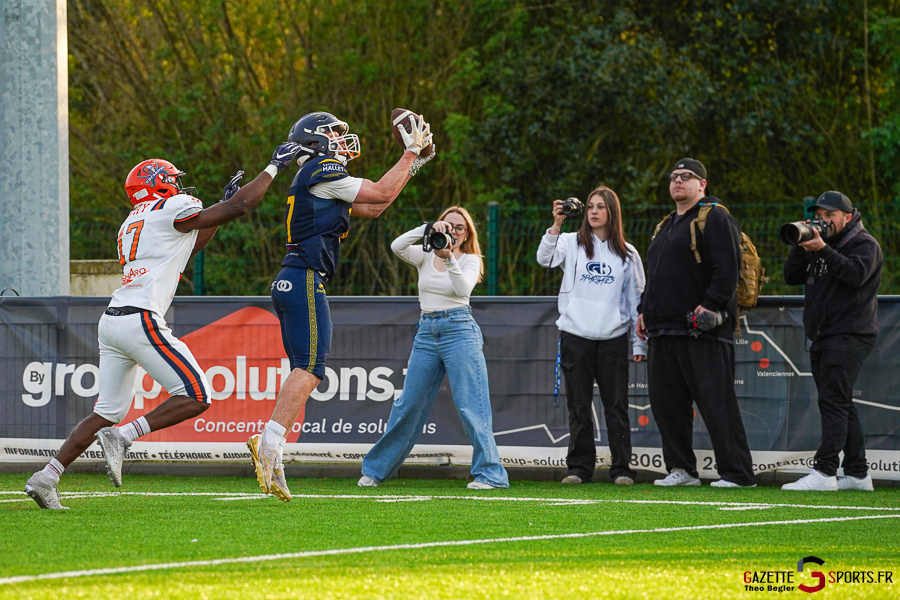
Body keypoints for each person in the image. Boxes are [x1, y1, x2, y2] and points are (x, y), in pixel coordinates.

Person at [24, 143, 303, 509]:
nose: (179, 187)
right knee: (197, 395)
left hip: (112, 321)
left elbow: (188, 246)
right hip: (141, 318)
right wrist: (273, 167)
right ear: (159, 185)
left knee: (104, 411)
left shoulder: (131, 222)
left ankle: (46, 477)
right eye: (172, 180)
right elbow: (240, 207)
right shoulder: (170, 207)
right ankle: (124, 436)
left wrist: (217, 213)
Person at [247, 111, 435, 501]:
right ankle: (269, 443)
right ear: (316, 139)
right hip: (303, 278)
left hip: (293, 277)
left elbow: (375, 207)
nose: (341, 137)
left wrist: (413, 163)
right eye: (334, 131)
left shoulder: (322, 179)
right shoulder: (322, 167)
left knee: (306, 367)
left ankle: (273, 449)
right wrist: (411, 151)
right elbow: (382, 192)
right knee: (311, 368)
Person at [358, 207, 509, 489]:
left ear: (467, 235)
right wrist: (427, 228)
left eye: (459, 228)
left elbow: (463, 290)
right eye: (448, 226)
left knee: (471, 404)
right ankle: (375, 470)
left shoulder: (470, 259)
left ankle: (491, 474)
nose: (453, 231)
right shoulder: (425, 255)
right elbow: (396, 246)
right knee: (409, 403)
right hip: (427, 331)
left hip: (460, 330)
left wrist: (449, 258)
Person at [636, 158, 756, 488]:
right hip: (663, 329)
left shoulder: (715, 216)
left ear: (702, 184)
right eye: (673, 177)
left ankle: (737, 473)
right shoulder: (665, 225)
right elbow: (655, 277)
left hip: (702, 329)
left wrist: (710, 307)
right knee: (667, 406)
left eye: (686, 177)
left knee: (717, 404)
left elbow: (727, 269)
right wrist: (644, 310)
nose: (678, 181)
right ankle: (682, 470)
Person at [536, 188, 645, 485]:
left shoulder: (628, 253)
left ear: (613, 212)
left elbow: (636, 302)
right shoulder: (570, 243)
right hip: (575, 336)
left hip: (613, 339)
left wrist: (639, 343)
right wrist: (556, 225)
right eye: (591, 207)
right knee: (579, 406)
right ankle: (579, 469)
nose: (594, 212)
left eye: (601, 207)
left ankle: (622, 469)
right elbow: (543, 259)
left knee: (617, 406)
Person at [782, 191, 882, 492]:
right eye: (819, 216)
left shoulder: (865, 244)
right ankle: (857, 473)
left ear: (847, 217)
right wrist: (802, 245)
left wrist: (823, 248)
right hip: (824, 333)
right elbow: (790, 277)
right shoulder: (819, 245)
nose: (822, 221)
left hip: (851, 333)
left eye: (829, 216)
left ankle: (825, 471)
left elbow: (854, 275)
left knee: (833, 401)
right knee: (841, 402)